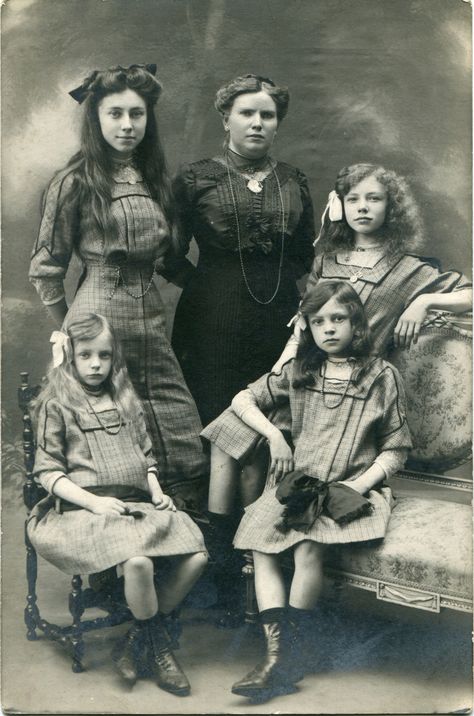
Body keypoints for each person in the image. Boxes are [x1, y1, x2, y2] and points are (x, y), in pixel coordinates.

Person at [203, 162, 472, 522]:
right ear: (339, 204)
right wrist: (282, 366)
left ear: (391, 208)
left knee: (256, 455)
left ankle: (251, 548)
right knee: (227, 435)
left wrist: (424, 302)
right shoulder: (326, 260)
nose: (362, 207)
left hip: (344, 390)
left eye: (374, 198)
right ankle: (226, 551)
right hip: (301, 375)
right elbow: (303, 324)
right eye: (353, 198)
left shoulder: (411, 270)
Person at [204, 281, 412, 701]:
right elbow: (243, 400)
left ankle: (286, 657)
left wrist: (360, 483)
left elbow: (396, 449)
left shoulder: (380, 376)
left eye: (339, 319)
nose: (329, 329)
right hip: (299, 487)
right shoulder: (301, 369)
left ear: (357, 323)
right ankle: (279, 655)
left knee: (307, 548)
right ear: (307, 328)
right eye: (318, 321)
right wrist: (275, 438)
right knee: (262, 547)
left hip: (351, 488)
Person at [29, 64, 208, 511]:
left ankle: (171, 520)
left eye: (137, 114)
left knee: (173, 416)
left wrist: (218, 288)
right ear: (96, 119)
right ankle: (117, 531)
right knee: (109, 423)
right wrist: (73, 330)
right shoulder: (74, 181)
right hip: (98, 313)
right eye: (115, 114)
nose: (127, 125)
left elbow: (168, 259)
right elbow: (46, 267)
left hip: (150, 316)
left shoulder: (157, 182)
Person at [27, 313, 208, 695]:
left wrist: (156, 489)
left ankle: (137, 638)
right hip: (82, 509)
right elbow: (47, 472)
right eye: (86, 355)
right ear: (69, 358)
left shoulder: (125, 399)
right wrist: (94, 503)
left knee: (197, 554)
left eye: (104, 356)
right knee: (139, 562)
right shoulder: (58, 404)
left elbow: (146, 457)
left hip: (134, 505)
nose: (95, 364)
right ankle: (159, 650)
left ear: (115, 359)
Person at [164, 73, 316, 428]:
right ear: (226, 120)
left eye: (267, 115)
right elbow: (167, 251)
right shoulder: (196, 178)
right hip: (210, 314)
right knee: (213, 407)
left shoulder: (294, 180)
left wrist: (275, 281)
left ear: (277, 124)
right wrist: (206, 284)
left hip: (278, 311)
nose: (257, 124)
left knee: (273, 408)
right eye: (246, 114)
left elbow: (304, 251)